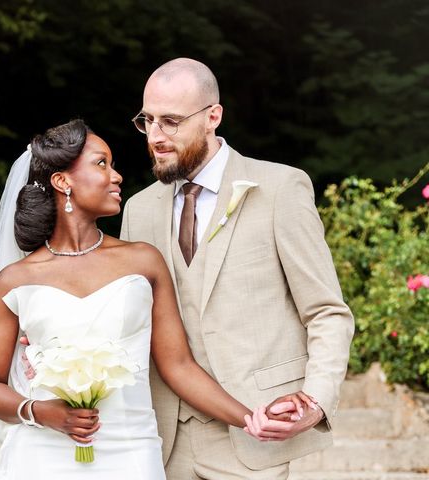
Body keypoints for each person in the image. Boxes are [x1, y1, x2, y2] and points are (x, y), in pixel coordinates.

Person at [0, 119, 275, 480]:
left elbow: (178, 365)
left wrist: (250, 418)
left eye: (113, 165)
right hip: (41, 455)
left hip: (132, 451)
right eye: (101, 164)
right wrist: (40, 411)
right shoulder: (15, 280)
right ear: (62, 181)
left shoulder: (143, 261)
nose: (116, 176)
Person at [120, 57, 355, 479]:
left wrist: (315, 400)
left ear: (213, 116)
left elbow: (326, 312)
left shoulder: (280, 189)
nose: (156, 136)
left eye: (171, 121)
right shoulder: (138, 210)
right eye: (147, 120)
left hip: (255, 430)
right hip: (161, 439)